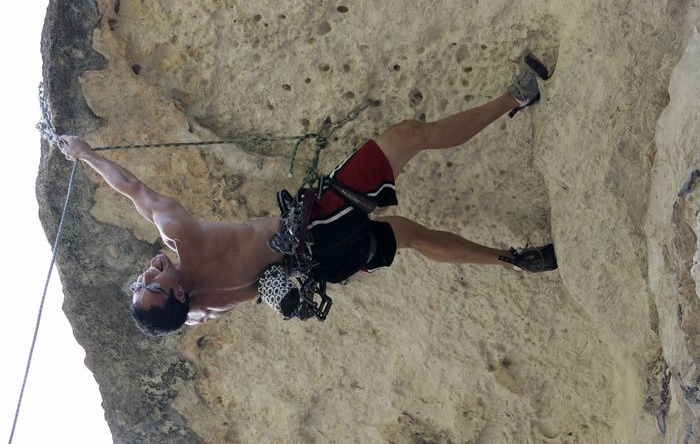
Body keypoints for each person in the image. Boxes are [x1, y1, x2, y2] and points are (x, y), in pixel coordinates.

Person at [59, 54, 557, 336]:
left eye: (138, 283)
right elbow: (133, 191)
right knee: (407, 136)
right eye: (151, 283)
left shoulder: (197, 309)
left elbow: (190, 313)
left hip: (324, 267)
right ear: (178, 295)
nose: (145, 274)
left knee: (409, 236)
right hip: (318, 225)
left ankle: (514, 259)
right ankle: (518, 96)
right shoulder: (183, 237)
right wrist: (85, 154)